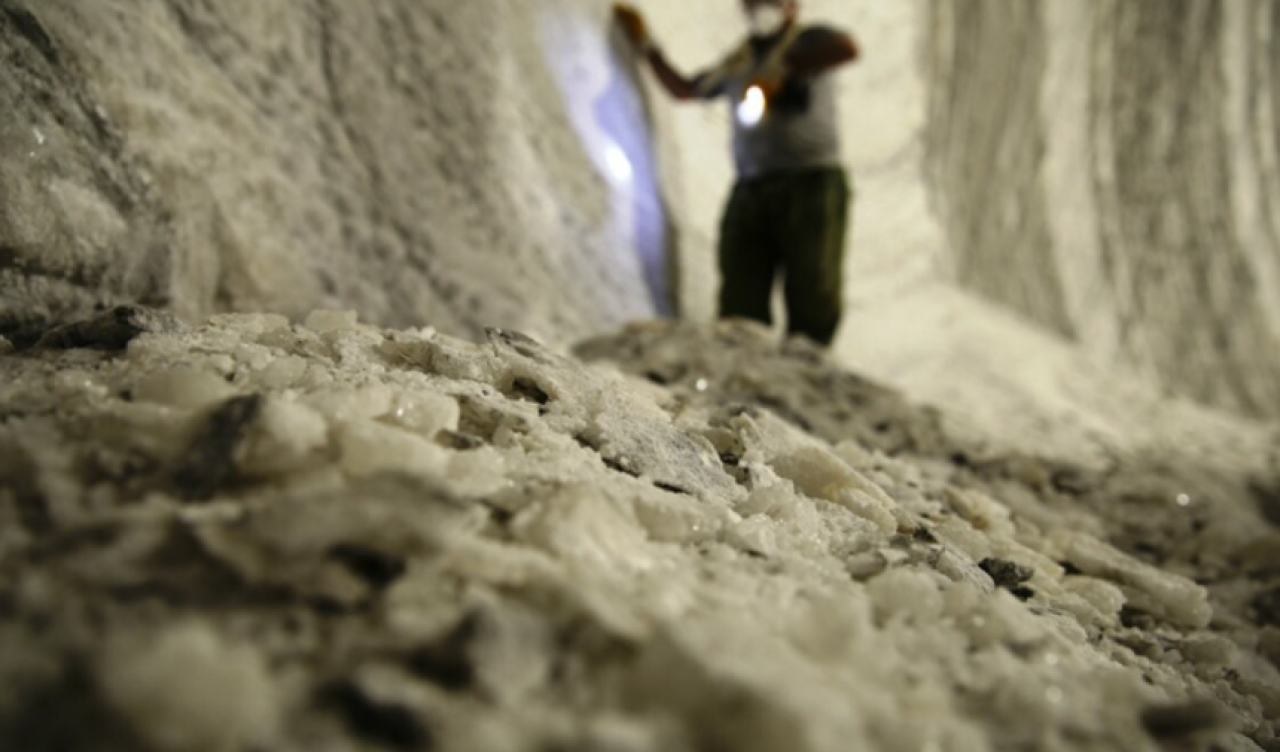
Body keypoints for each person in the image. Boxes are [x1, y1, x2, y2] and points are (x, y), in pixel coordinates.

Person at [613, 0, 859, 346]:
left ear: (791, 7)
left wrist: (786, 69)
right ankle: (746, 368)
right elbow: (686, 89)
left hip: (811, 183)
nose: (762, 9)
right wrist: (646, 44)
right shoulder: (739, 62)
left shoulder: (809, 41)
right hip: (752, 187)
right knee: (741, 291)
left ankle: (806, 372)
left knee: (813, 290)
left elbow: (845, 49)